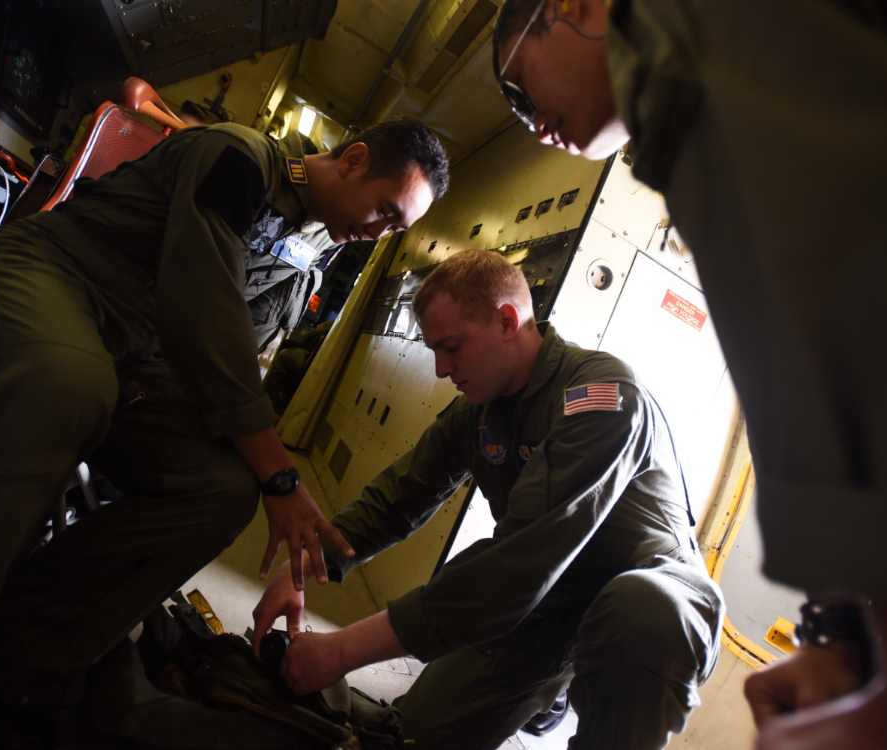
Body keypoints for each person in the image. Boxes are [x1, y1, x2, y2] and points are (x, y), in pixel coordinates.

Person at [491, 1, 887, 748]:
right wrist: (838, 633)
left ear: (572, 6)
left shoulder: (683, 47)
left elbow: (882, 298)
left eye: (517, 90)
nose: (533, 125)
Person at [0, 116, 448, 748]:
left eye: (395, 229)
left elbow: (232, 359)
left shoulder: (312, 248)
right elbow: (206, 310)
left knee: (223, 488)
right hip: (51, 276)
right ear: (355, 160)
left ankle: (26, 651)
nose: (379, 233)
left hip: (130, 356)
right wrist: (280, 476)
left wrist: (265, 492)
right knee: (68, 386)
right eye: (385, 212)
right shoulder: (238, 160)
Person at [251, 249, 724, 750]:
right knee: (411, 735)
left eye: (452, 348)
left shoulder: (602, 396)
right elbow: (399, 497)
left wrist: (341, 651)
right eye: (434, 351)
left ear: (507, 321)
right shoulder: (479, 411)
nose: (441, 369)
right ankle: (548, 682)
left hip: (650, 595)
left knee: (642, 614)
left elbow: (516, 566)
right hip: (552, 601)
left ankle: (569, 683)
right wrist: (301, 568)